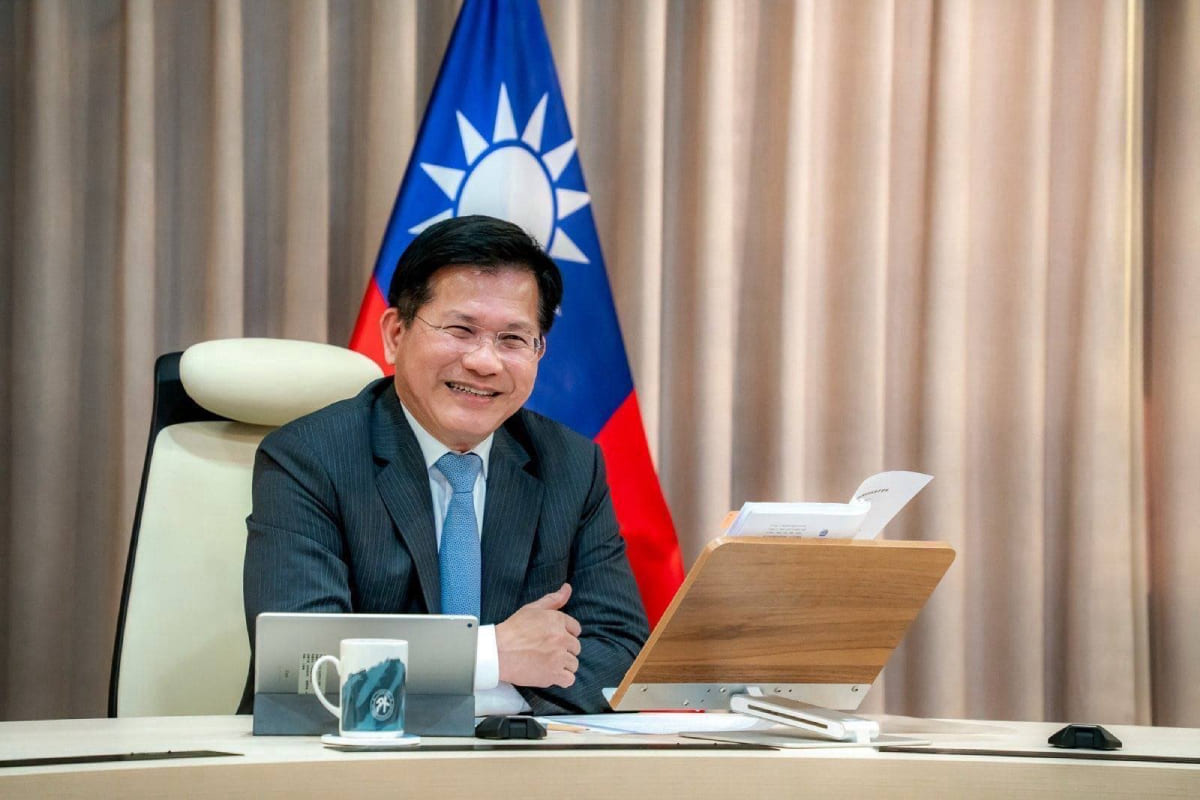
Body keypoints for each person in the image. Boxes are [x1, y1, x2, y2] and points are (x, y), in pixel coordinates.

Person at [241, 215, 649, 715]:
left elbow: (620, 656)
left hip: (514, 759)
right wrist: (490, 658)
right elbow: (305, 666)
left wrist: (465, 688)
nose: (484, 362)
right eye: (461, 330)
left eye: (513, 339)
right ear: (395, 333)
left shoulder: (570, 465)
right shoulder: (309, 457)